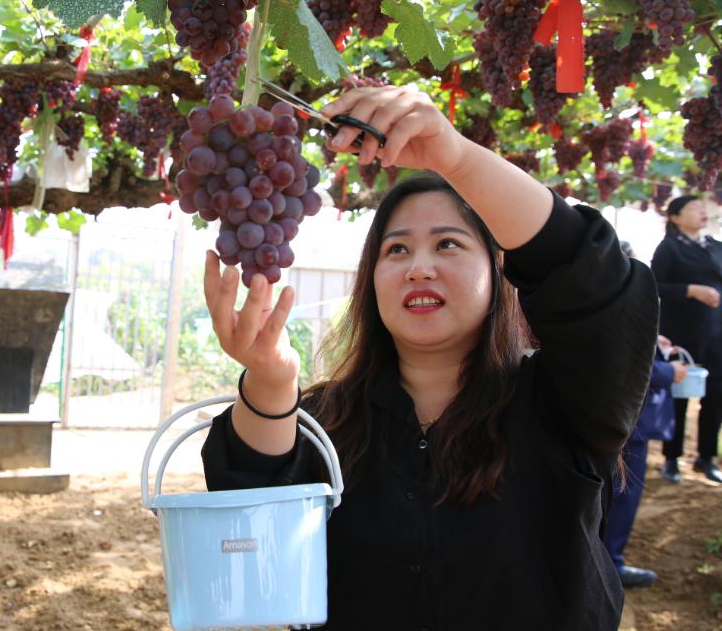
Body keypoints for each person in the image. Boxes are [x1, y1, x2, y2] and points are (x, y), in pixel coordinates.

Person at [200, 84, 658, 630]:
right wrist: (271, 383)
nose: (419, 267)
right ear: (371, 280)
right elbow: (252, 518)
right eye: (397, 249)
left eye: (447, 244)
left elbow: (588, 270)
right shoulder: (327, 422)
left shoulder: (565, 400)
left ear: (498, 274)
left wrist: (457, 156)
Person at [603, 333, 687, 588]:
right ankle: (609, 564)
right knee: (623, 491)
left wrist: (655, 343)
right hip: (626, 416)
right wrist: (668, 371)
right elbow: (623, 356)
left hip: (610, 411)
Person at [650, 195, 722, 483]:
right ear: (675, 217)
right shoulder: (669, 248)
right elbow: (653, 285)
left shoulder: (715, 246)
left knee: (716, 395)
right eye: (693, 208)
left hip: (715, 333)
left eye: (703, 208)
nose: (701, 211)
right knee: (678, 394)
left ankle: (706, 457)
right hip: (681, 333)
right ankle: (671, 458)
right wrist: (690, 290)